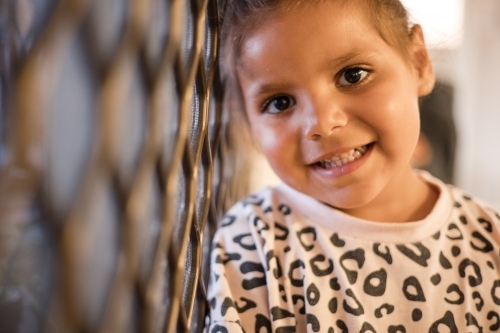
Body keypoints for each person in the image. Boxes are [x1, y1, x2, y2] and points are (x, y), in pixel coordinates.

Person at [205, 0, 500, 331]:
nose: (322, 123)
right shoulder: (253, 242)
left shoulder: (491, 242)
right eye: (280, 102)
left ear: (419, 63)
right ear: (248, 123)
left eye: (353, 75)